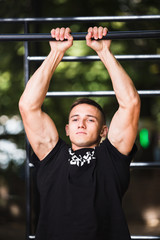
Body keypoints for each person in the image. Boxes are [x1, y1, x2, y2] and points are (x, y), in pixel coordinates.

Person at [19, 27, 140, 240]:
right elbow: (28, 105)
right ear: (67, 129)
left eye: (90, 119)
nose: (81, 123)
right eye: (75, 119)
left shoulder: (111, 157)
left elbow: (130, 103)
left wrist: (103, 51)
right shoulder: (52, 156)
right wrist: (56, 52)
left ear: (104, 131)